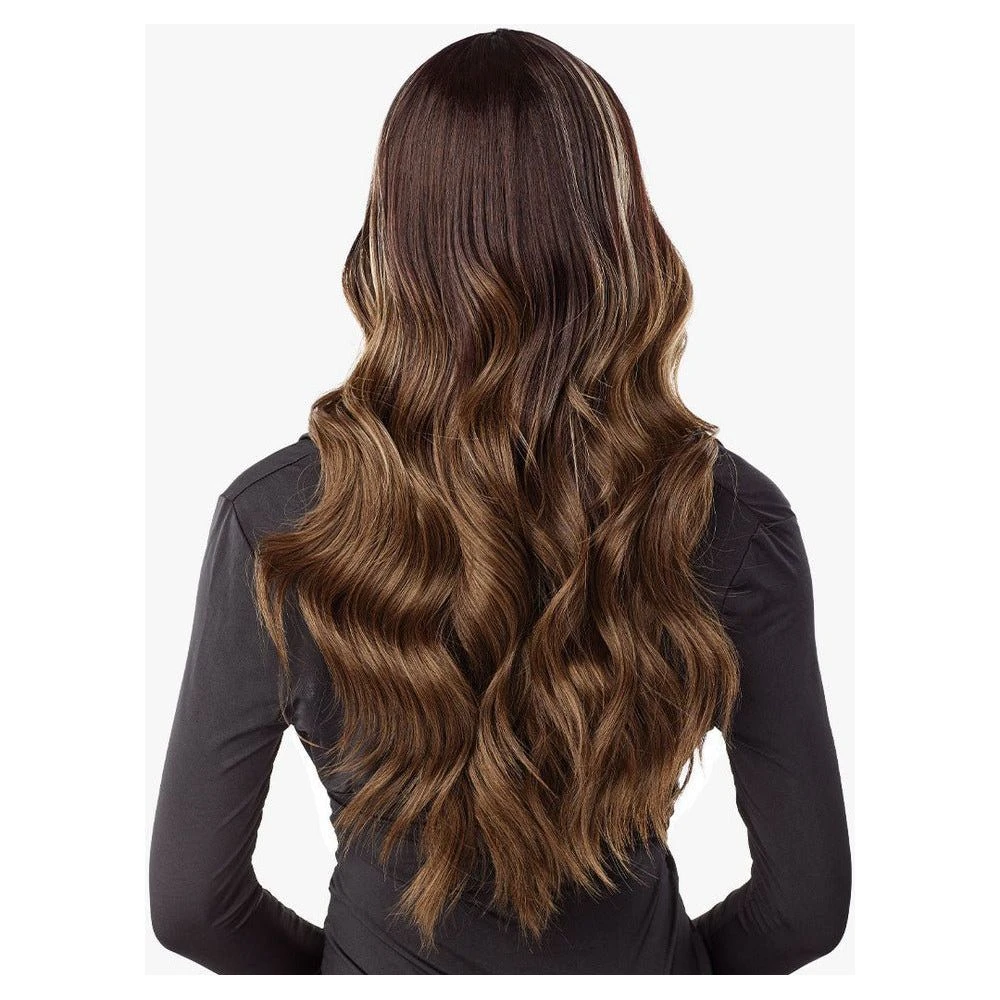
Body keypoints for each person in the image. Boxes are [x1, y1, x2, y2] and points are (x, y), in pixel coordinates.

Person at [149, 28, 851, 974]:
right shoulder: (728, 516)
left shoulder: (278, 522)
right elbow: (806, 905)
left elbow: (193, 902)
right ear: (618, 231)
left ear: (396, 235)